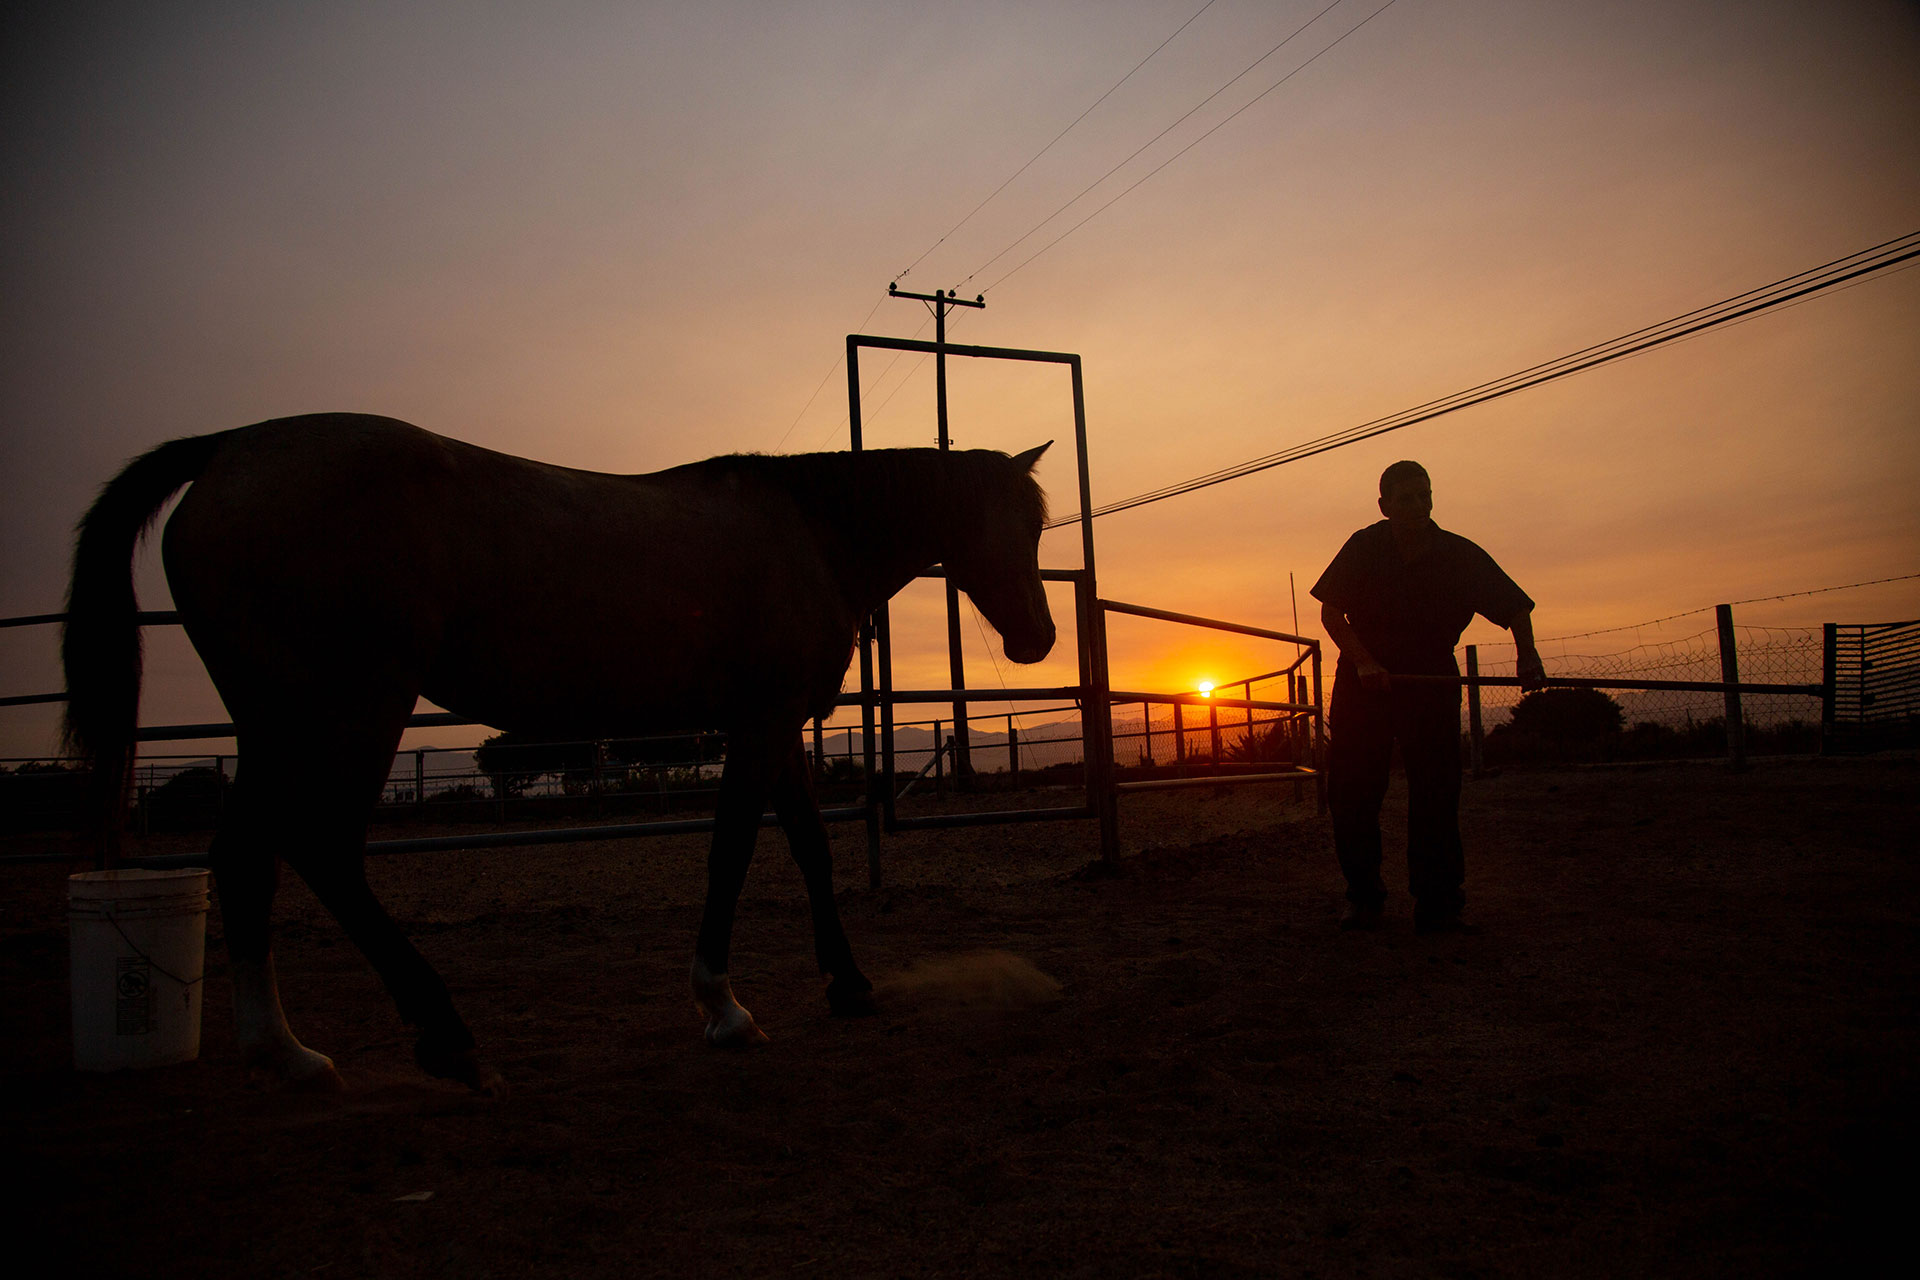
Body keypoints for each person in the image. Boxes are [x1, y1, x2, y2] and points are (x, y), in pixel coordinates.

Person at [1310, 460, 1545, 934]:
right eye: (1407, 498)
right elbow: (1332, 613)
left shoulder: (1459, 554)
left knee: (1436, 791)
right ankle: (1364, 896)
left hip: (1431, 680)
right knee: (1352, 792)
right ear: (1385, 506)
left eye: (1425, 495)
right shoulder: (1364, 546)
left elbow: (1514, 605)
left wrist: (1528, 655)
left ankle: (1438, 903)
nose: (1419, 505)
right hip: (1364, 682)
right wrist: (1365, 662)